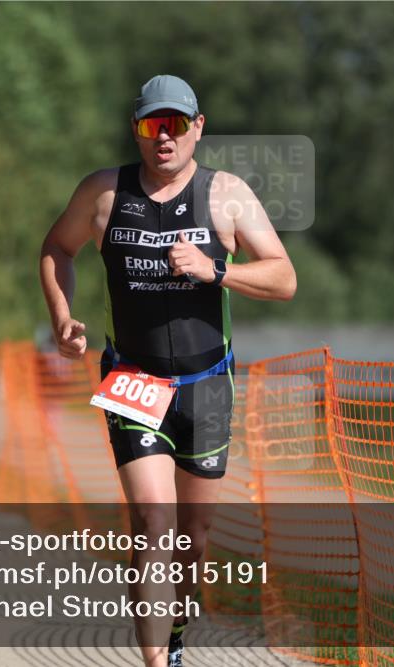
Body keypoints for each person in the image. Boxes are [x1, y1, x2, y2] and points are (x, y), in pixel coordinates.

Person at [39, 74, 296, 667]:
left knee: (193, 543)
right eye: (151, 125)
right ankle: (158, 663)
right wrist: (62, 318)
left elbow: (284, 278)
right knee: (153, 526)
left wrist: (218, 271)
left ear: (197, 129)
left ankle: (177, 632)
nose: (164, 137)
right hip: (133, 380)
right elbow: (56, 248)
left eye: (175, 124)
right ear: (136, 130)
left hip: (207, 387)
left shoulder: (226, 194)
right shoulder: (104, 194)